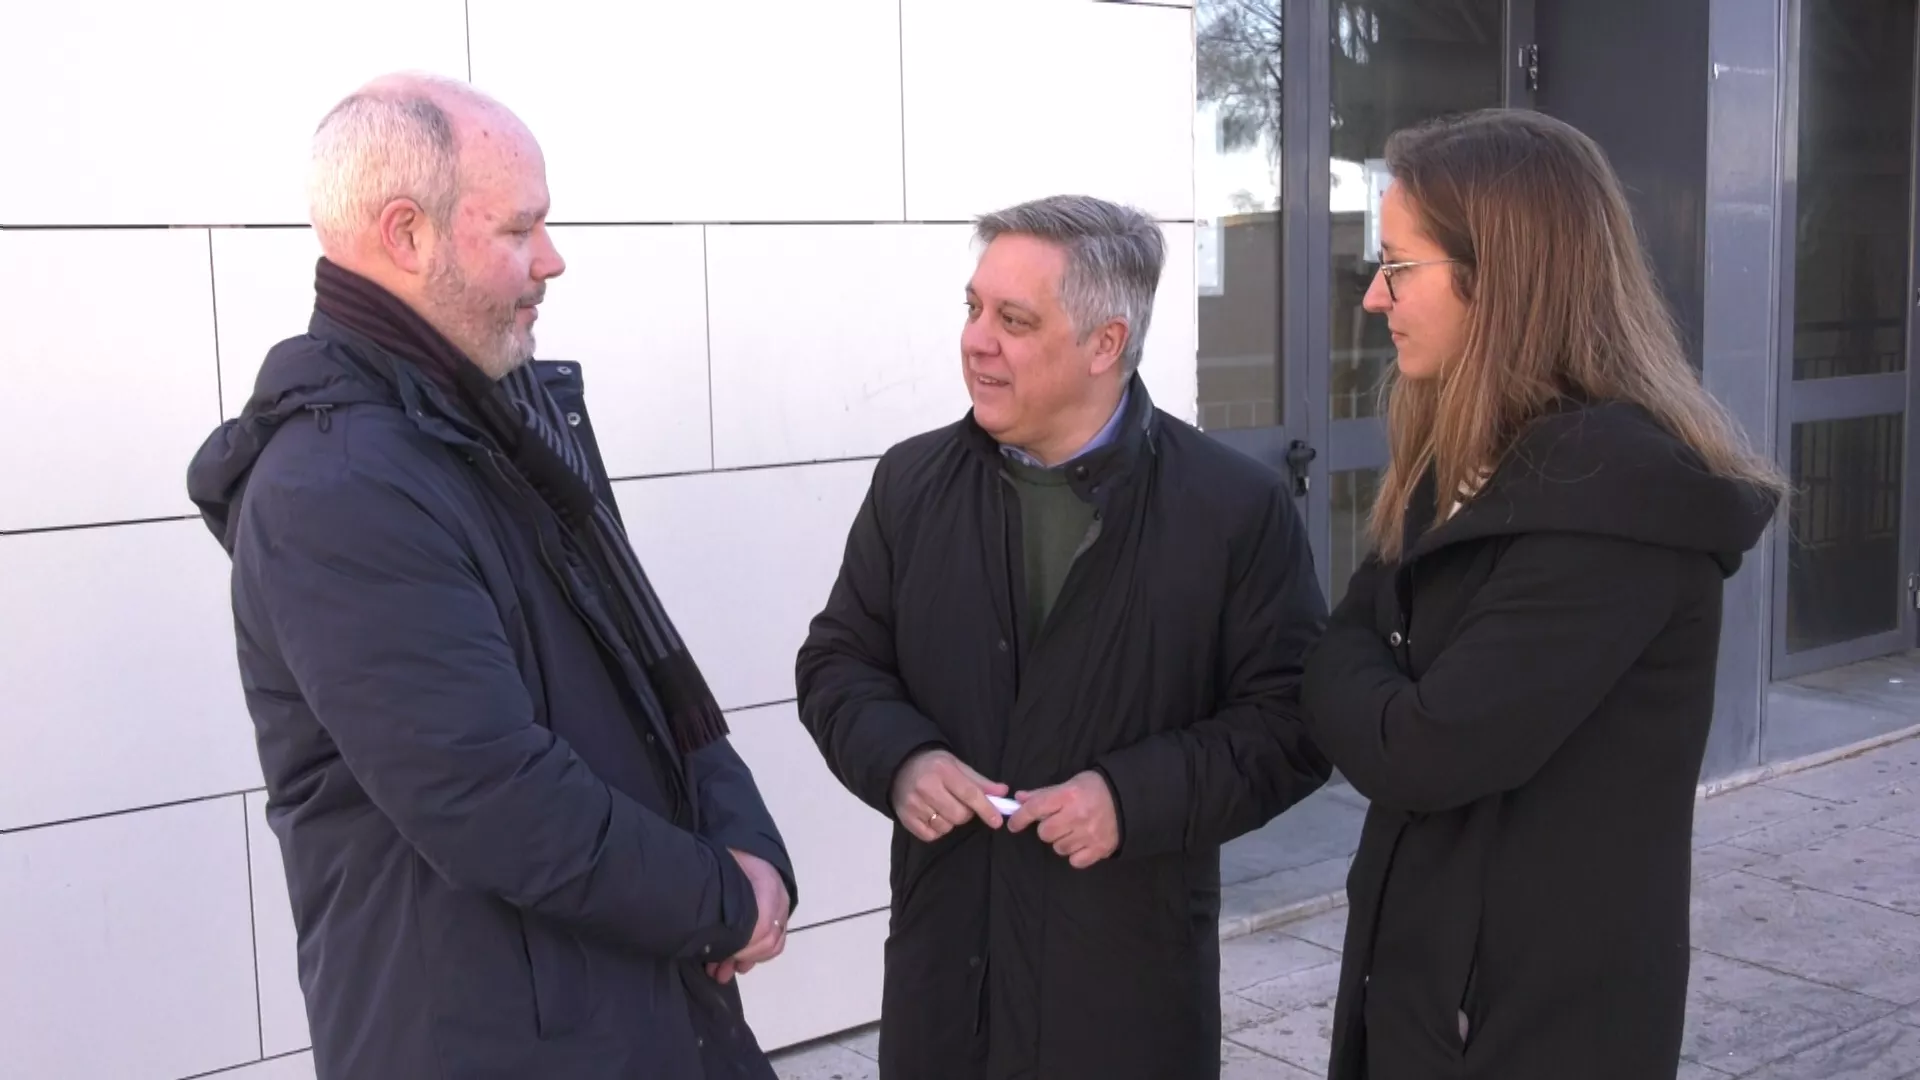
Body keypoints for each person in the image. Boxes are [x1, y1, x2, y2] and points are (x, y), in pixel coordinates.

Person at [185, 73, 794, 1080]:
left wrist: (746, 840)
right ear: (406, 234)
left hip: (641, 999)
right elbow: (488, 795)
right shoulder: (339, 487)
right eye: (520, 228)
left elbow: (646, 666)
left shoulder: (514, 424)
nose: (552, 258)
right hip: (496, 1037)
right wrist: (723, 900)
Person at [795, 194, 1332, 1079]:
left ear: (1105, 343)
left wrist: (1130, 798)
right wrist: (902, 760)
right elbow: (838, 663)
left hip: (1125, 1004)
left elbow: (1292, 724)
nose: (975, 340)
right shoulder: (911, 484)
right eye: (973, 308)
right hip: (944, 992)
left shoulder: (1233, 509)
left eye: (1013, 320)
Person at [1301, 108, 1786, 1080]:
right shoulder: (1470, 456)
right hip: (1429, 985)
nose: (1373, 298)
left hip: (1528, 1027)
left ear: (1503, 279)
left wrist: (1344, 677)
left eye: (1398, 267)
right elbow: (1356, 645)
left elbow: (1419, 749)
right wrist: (1355, 673)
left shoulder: (1613, 503)